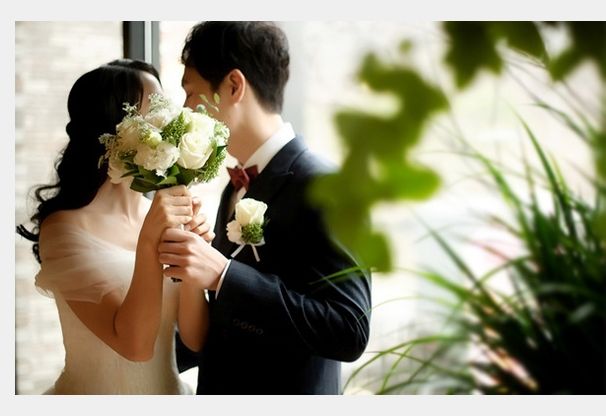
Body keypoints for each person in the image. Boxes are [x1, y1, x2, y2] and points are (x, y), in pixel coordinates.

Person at [162, 21, 372, 394]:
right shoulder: (233, 187)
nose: (186, 109)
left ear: (233, 85)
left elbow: (349, 330)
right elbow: (226, 327)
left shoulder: (329, 188)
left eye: (191, 93)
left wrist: (224, 275)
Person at [16, 59, 212, 394]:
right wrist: (149, 241)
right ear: (115, 130)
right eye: (155, 111)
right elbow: (135, 346)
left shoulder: (162, 214)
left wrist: (195, 254)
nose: (170, 123)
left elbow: (195, 339)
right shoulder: (63, 230)